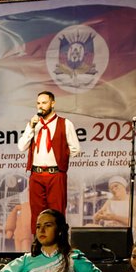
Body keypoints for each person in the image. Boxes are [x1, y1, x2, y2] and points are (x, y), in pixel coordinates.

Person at [19, 90, 80, 227]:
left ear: (53, 103)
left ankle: (59, 245)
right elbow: (22, 146)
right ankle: (38, 246)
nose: (41, 106)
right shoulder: (34, 124)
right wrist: (30, 127)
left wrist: (60, 155)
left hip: (55, 174)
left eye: (44, 103)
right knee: (37, 213)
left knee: (57, 212)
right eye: (38, 103)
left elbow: (75, 148)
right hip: (36, 174)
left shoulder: (65, 123)